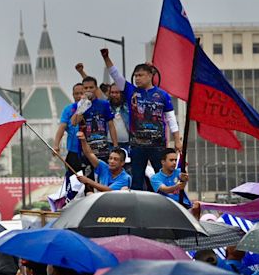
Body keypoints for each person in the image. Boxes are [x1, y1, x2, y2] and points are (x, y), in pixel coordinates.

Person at [101, 48, 182, 191]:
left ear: (151, 75)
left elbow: (171, 118)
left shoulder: (162, 95)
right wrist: (106, 58)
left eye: (141, 75)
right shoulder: (131, 91)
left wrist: (177, 139)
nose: (137, 78)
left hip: (158, 146)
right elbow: (115, 75)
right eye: (136, 75)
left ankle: (165, 203)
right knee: (136, 180)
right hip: (137, 146)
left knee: (161, 176)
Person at [71, 76, 118, 163]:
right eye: (86, 88)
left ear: (96, 88)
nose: (88, 90)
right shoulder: (79, 105)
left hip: (103, 149)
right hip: (86, 150)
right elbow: (74, 122)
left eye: (91, 87)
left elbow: (111, 125)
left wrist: (115, 146)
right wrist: (83, 105)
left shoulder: (104, 104)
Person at [53, 83, 85, 173]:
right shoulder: (68, 110)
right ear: (73, 95)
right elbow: (62, 128)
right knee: (73, 181)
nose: (79, 96)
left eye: (81, 93)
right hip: (73, 152)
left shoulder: (92, 107)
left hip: (90, 151)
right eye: (76, 94)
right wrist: (56, 145)